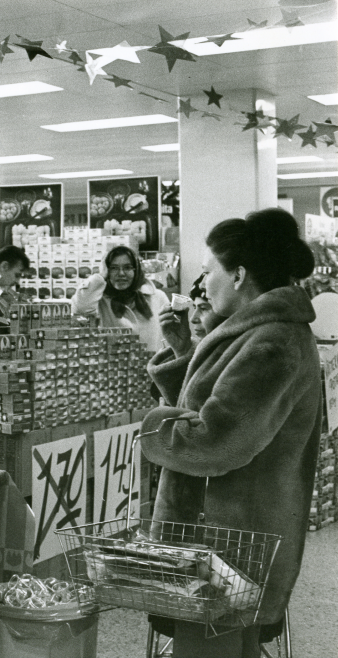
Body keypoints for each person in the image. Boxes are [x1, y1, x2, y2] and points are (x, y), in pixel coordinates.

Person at [142, 208, 319, 657]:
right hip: (231, 542)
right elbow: (223, 404)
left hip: (229, 549)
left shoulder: (273, 341)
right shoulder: (254, 334)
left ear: (238, 274)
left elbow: (217, 443)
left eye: (207, 271)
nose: (202, 285)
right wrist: (187, 351)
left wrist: (152, 427)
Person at [71, 245, 169, 352]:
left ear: (136, 270)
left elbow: (170, 338)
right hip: (114, 367)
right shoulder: (100, 299)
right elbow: (80, 308)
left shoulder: (158, 297)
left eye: (127, 267)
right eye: (114, 268)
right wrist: (100, 275)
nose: (121, 273)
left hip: (153, 366)